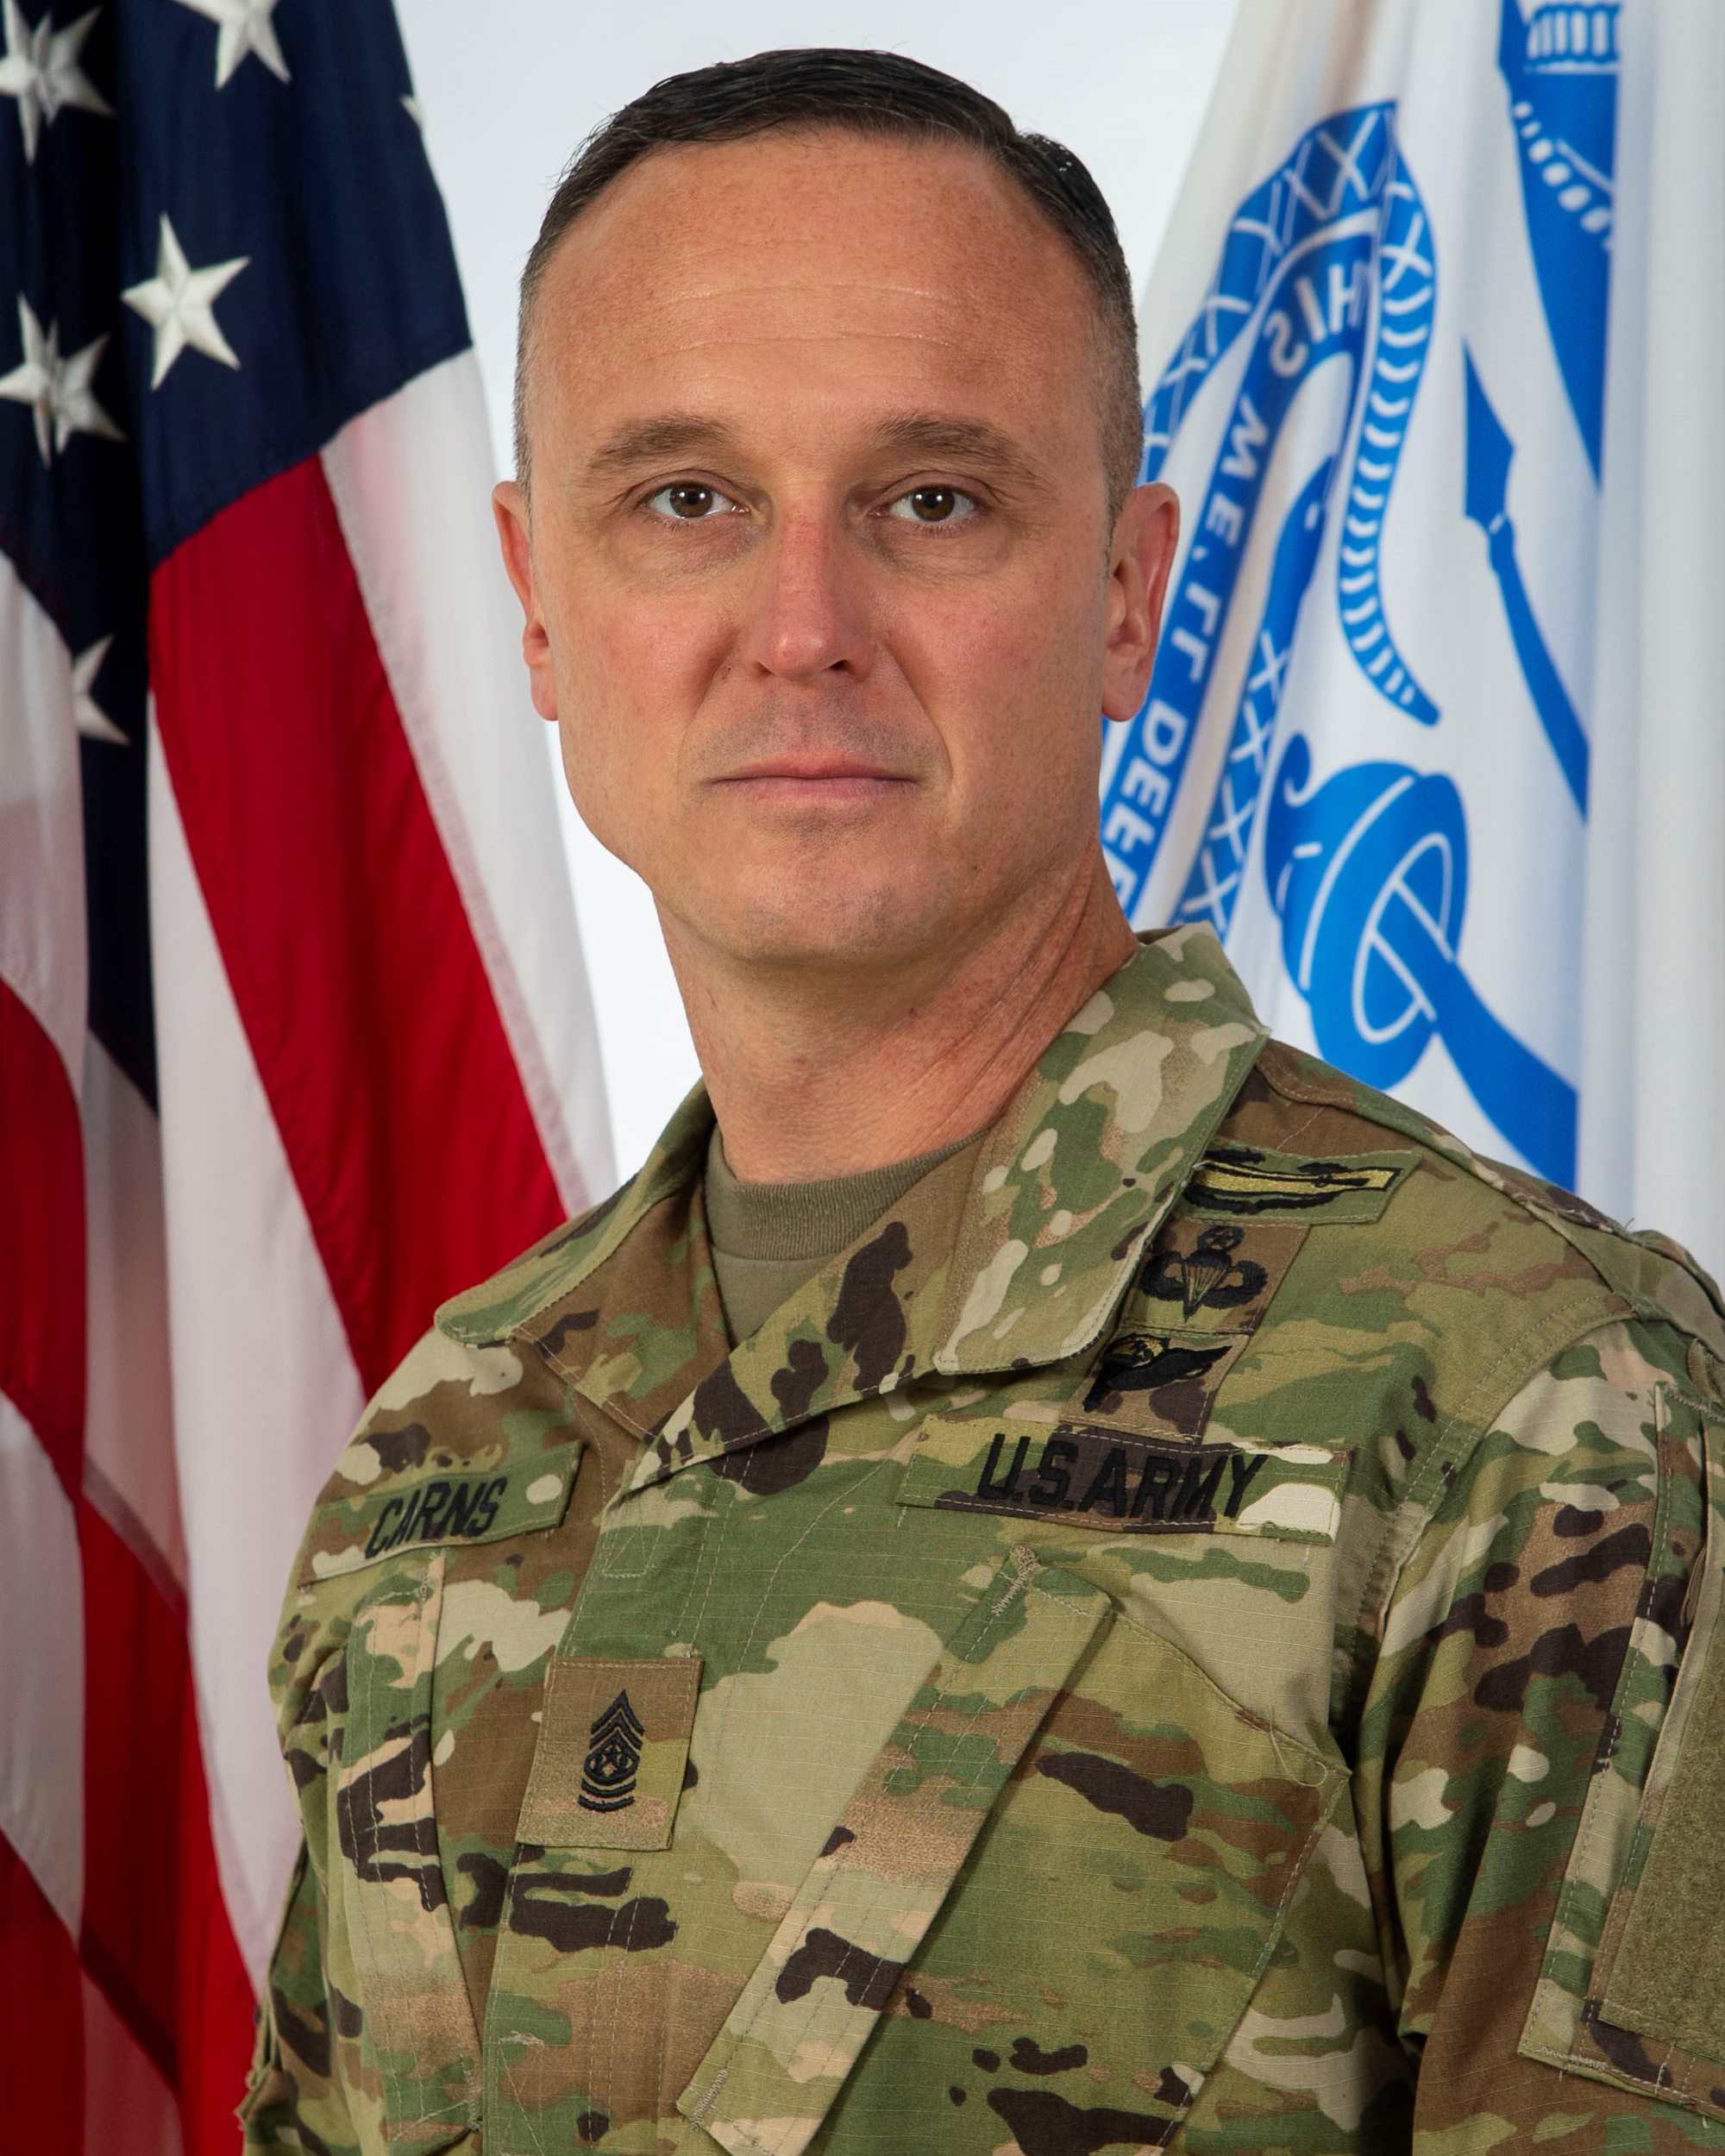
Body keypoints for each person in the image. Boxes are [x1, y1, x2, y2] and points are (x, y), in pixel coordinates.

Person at [243, 47, 1725, 2156]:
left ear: (1124, 593)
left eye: (931, 499)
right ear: (539, 602)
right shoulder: (443, 1446)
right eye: (686, 500)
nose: (802, 628)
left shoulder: (1534, 1403)